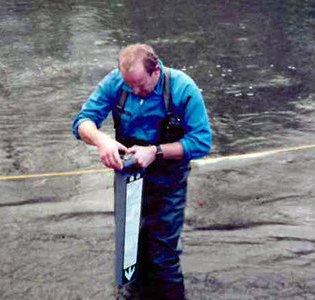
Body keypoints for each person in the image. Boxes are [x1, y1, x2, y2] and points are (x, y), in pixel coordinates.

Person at [72, 44, 212, 299]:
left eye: (141, 86)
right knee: (130, 251)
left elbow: (202, 142)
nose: (135, 92)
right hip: (129, 178)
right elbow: (83, 121)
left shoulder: (183, 88)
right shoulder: (116, 82)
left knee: (164, 256)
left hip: (168, 181)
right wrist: (101, 140)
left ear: (156, 70)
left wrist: (156, 151)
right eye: (130, 86)